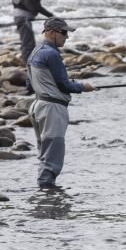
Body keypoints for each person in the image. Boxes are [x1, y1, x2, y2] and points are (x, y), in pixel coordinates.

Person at [27, 17, 95, 190]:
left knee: (44, 153)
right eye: (64, 32)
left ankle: (44, 192)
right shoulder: (51, 54)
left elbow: (33, 83)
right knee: (52, 156)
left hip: (38, 106)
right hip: (52, 109)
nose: (67, 37)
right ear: (51, 32)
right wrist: (83, 87)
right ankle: (48, 193)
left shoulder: (36, 51)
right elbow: (64, 85)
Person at [12, 0, 54, 64]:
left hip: (19, 16)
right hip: (24, 18)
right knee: (28, 42)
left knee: (26, 40)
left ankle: (27, 61)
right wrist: (51, 16)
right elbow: (37, 7)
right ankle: (28, 63)